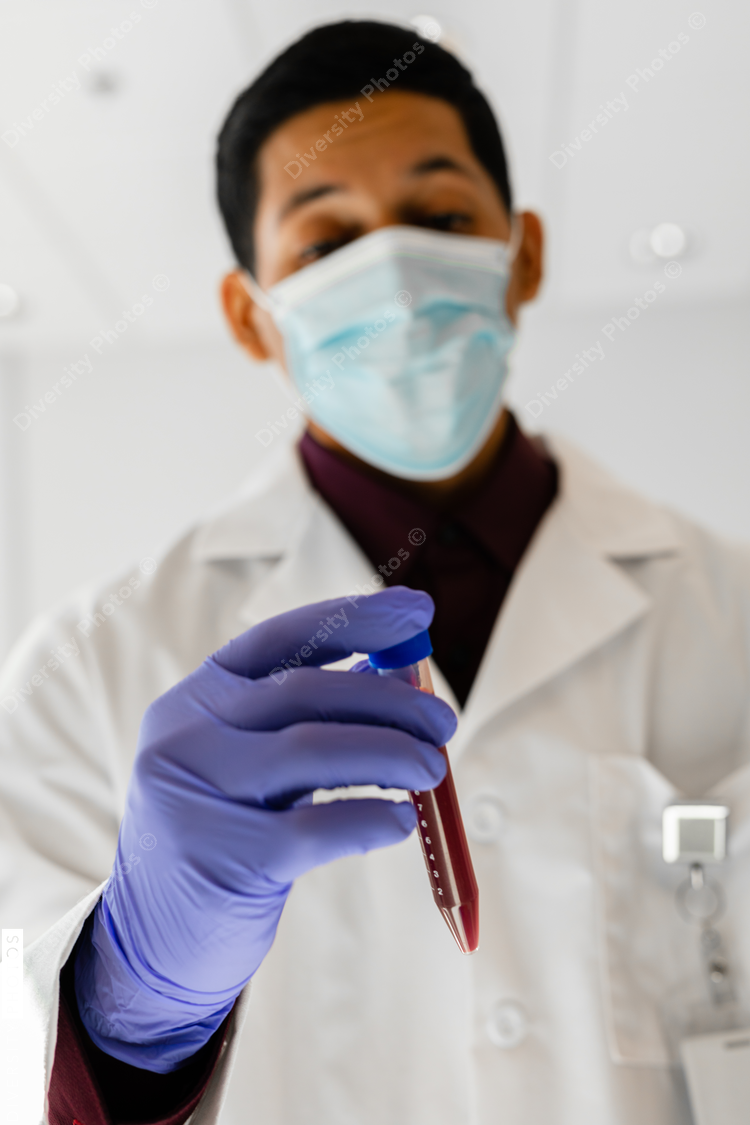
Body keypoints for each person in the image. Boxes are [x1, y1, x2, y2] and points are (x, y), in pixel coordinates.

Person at [1, 19, 749, 1125]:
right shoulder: (87, 662)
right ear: (251, 317)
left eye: (443, 220)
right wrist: (131, 1002)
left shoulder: (728, 610)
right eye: (323, 245)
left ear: (522, 255)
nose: (393, 275)